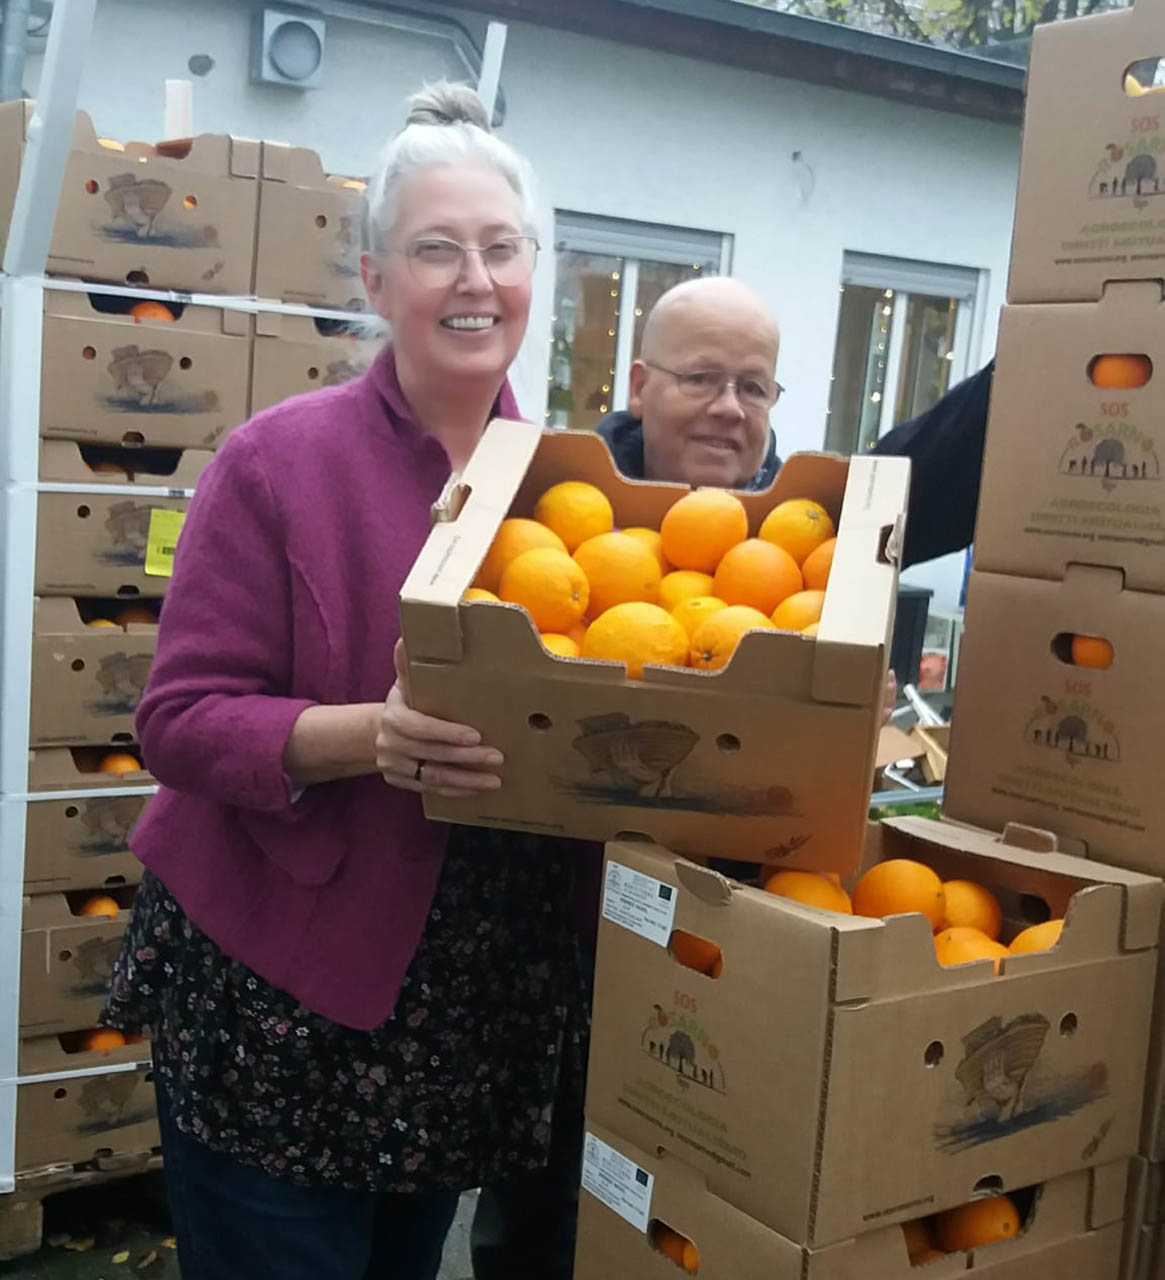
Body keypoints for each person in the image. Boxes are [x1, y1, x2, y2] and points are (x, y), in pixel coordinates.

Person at [103, 83, 588, 1280]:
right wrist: (369, 735)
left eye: (501, 248)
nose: (473, 281)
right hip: (280, 984)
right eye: (435, 250)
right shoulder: (277, 461)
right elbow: (176, 720)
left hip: (456, 1016)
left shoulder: (571, 489)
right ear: (375, 281)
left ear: (536, 273)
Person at [596, 276, 993, 568]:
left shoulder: (814, 531)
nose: (730, 408)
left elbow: (945, 457)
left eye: (752, 388)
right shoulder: (556, 514)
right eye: (699, 379)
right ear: (639, 388)